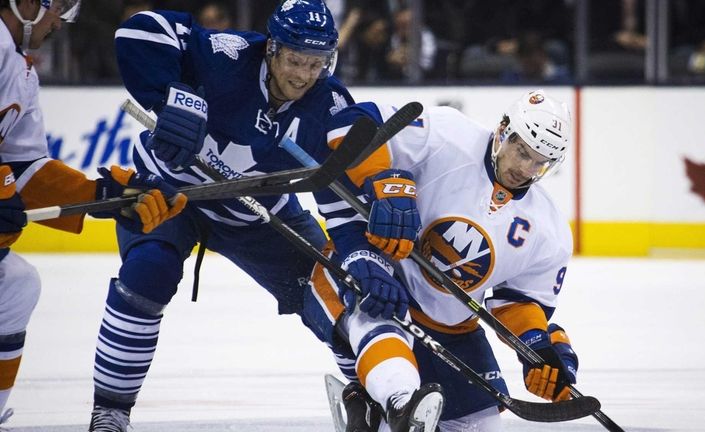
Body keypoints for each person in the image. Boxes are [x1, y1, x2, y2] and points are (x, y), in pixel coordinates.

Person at [86, 1, 420, 430]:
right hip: (173, 194)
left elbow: (338, 195)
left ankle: (370, 394)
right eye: (296, 60)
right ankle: (110, 413)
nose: (303, 75)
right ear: (272, 49)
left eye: (317, 63)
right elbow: (139, 32)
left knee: (337, 290)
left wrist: (358, 258)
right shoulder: (227, 54)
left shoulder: (329, 102)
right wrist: (170, 96)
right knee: (147, 274)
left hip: (259, 215)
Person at [303, 89, 580, 431]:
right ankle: (395, 402)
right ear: (503, 129)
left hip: (451, 327)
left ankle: (368, 406)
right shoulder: (448, 134)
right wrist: (382, 181)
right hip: (382, 277)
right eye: (522, 151)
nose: (525, 168)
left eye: (540, 163)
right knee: (376, 304)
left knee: (480, 426)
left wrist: (537, 345)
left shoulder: (549, 230)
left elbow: (517, 302)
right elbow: (349, 125)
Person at [0, 0, 187, 428]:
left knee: (14, 286)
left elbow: (24, 168)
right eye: (57, 8)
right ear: (26, 4)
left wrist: (102, 195)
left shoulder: (20, 71)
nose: (62, 22)